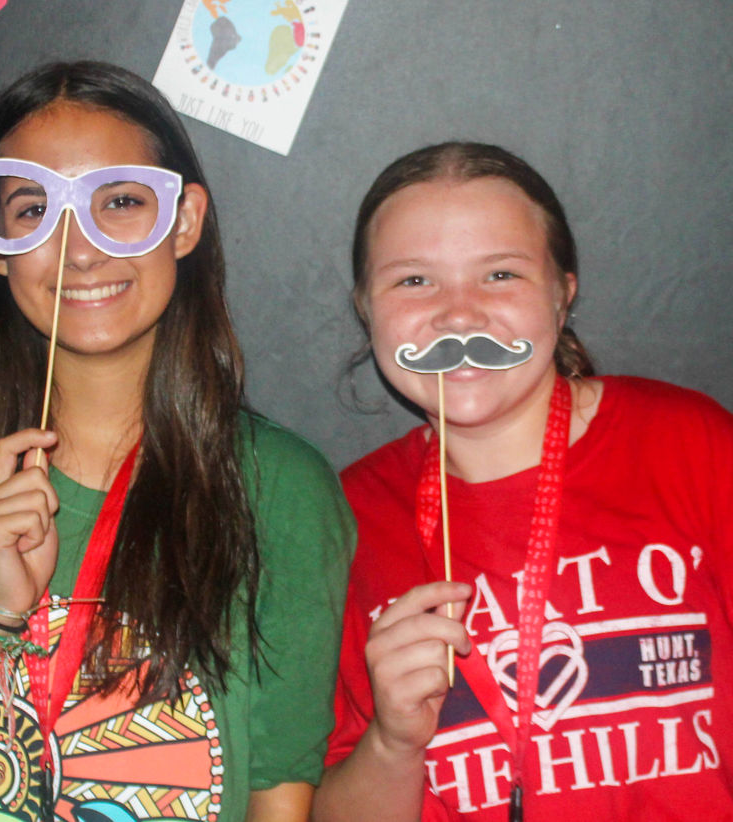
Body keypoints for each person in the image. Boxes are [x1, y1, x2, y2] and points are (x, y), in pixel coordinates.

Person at [0, 61, 354, 822]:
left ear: (183, 222)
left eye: (118, 201)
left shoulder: (280, 486)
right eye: (31, 209)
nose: (77, 248)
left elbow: (279, 792)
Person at [312, 142, 733, 820]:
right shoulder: (338, 518)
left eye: (500, 274)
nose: (458, 315)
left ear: (563, 293)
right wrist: (392, 746)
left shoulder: (691, 444)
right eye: (414, 281)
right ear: (367, 307)